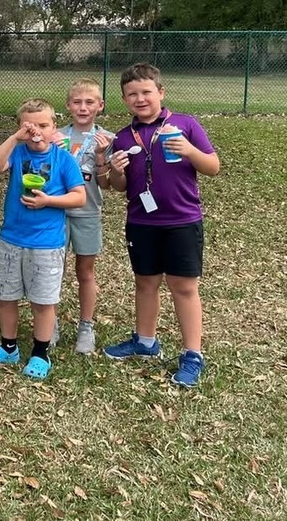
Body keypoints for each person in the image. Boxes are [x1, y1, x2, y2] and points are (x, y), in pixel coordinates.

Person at [103, 63, 220, 387]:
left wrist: (190, 150)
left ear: (161, 92)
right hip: (141, 221)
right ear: (124, 99)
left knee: (183, 287)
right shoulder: (123, 137)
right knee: (145, 282)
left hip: (182, 220)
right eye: (132, 94)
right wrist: (116, 169)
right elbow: (118, 186)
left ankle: (192, 354)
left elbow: (213, 167)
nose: (140, 99)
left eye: (146, 92)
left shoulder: (185, 124)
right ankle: (145, 341)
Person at [0, 98, 86, 381]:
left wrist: (48, 201)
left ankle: (40, 353)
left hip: (46, 243)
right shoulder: (18, 152)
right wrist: (15, 138)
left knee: (43, 301)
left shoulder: (63, 159)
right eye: (29, 126)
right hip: (11, 238)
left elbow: (79, 197)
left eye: (43, 125)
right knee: (6, 296)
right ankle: (8, 347)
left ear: (54, 127)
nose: (36, 131)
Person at [55, 78, 115, 354]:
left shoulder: (108, 139)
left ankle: (86, 326)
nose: (82, 107)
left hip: (88, 213)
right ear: (68, 105)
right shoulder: (55, 135)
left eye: (89, 102)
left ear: (100, 106)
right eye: (77, 102)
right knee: (54, 271)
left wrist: (101, 156)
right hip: (56, 212)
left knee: (85, 272)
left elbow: (106, 184)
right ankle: (50, 322)